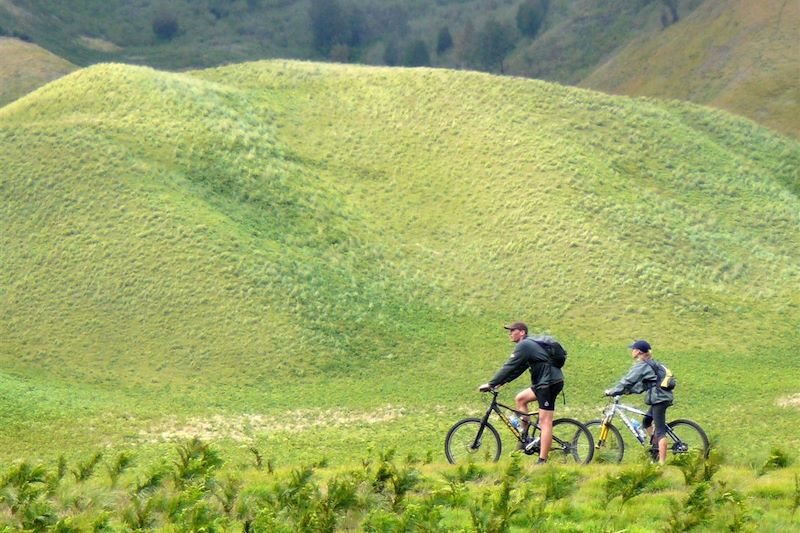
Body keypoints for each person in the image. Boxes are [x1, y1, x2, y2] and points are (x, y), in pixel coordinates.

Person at [478, 322, 564, 464]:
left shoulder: (524, 345)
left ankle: (542, 460)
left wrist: (491, 384)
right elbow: (518, 369)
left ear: (522, 332)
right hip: (544, 382)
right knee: (521, 399)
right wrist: (501, 383)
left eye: (513, 330)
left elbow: (509, 366)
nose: (510, 333)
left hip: (548, 383)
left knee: (545, 421)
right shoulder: (529, 347)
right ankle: (525, 437)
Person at [604, 340, 673, 464]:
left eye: (633, 349)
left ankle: (661, 463)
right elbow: (644, 385)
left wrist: (614, 391)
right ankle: (655, 450)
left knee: (660, 430)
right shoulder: (652, 364)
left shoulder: (642, 365)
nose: (632, 351)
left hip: (659, 399)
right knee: (646, 421)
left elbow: (628, 380)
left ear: (638, 351)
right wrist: (628, 392)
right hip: (662, 397)